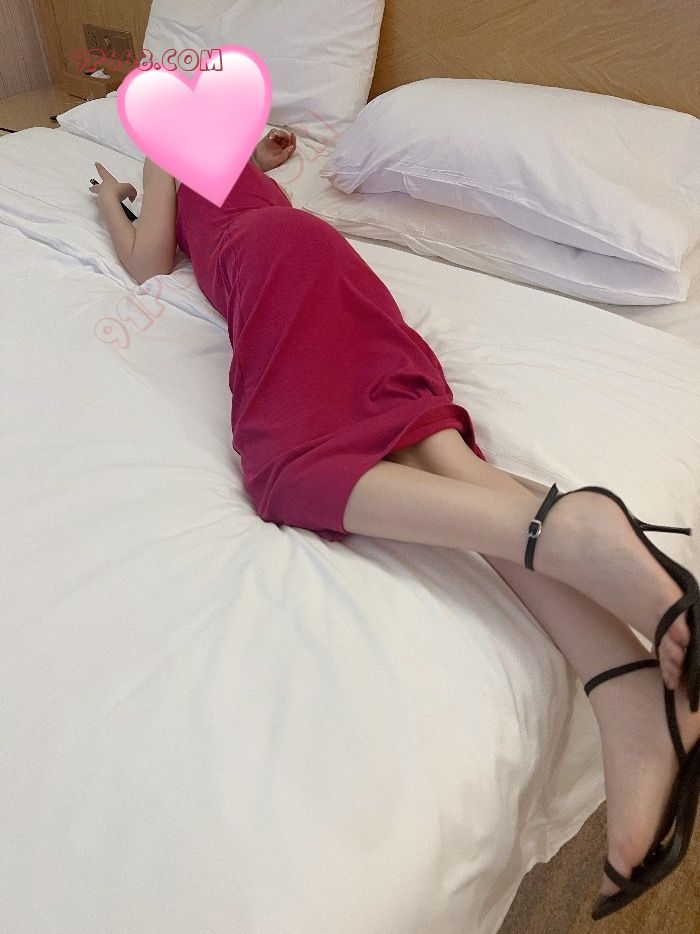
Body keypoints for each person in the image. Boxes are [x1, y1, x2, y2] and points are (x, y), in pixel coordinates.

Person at [90, 127, 699, 920]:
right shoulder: (226, 154)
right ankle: (626, 693)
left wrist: (115, 204)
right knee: (431, 452)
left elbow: (148, 263)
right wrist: (261, 158)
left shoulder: (166, 147)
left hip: (266, 258)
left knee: (288, 470)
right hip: (321, 254)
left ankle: (579, 535)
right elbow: (242, 174)